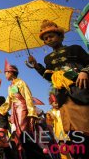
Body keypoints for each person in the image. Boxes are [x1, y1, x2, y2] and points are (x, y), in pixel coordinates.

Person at [28, 20, 89, 159]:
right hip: (63, 99)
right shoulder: (47, 59)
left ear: (60, 36)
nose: (49, 39)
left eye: (51, 36)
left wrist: (85, 72)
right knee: (74, 136)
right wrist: (35, 65)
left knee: (86, 128)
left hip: (81, 93)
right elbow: (49, 77)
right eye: (45, 38)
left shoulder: (74, 49)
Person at [0, 60, 49, 159]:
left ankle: (40, 155)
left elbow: (28, 97)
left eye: (6, 72)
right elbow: (8, 101)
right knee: (19, 136)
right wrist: (0, 111)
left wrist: (32, 113)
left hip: (22, 110)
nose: (5, 75)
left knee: (24, 134)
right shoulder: (10, 86)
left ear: (11, 72)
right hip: (15, 111)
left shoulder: (21, 82)